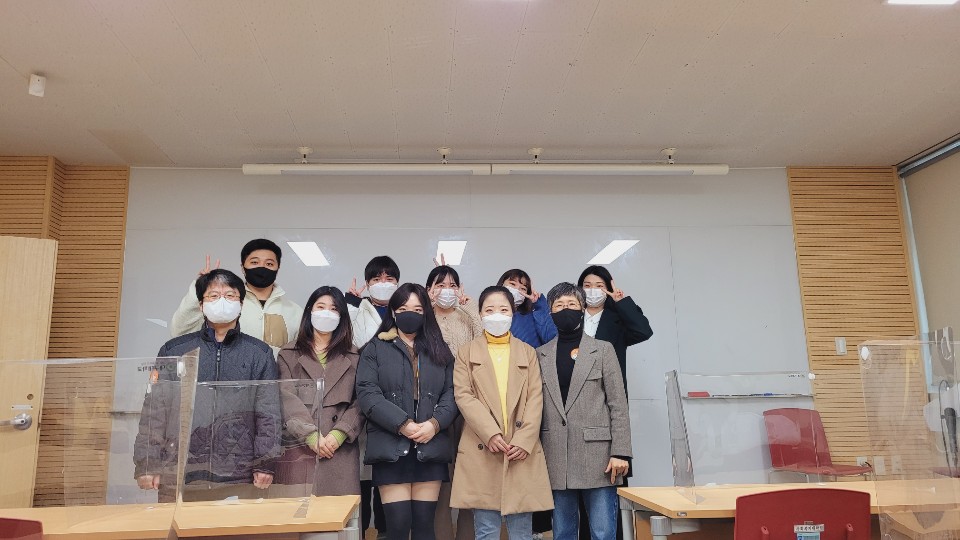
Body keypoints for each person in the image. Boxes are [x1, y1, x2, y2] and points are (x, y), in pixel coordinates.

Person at [134, 269, 281, 502]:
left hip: (237, 474)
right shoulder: (174, 350)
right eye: (213, 295)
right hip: (179, 470)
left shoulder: (259, 353)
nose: (222, 301)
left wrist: (265, 464)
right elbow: (155, 410)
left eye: (230, 295)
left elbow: (268, 413)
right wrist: (148, 463)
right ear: (201, 305)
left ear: (241, 304)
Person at [356, 283, 459, 540]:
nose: (409, 314)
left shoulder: (440, 349)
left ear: (426, 313)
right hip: (391, 444)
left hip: (430, 442)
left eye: (417, 309)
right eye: (402, 309)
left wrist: (434, 424)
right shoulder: (375, 348)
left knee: (425, 526)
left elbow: (453, 393)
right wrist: (403, 424)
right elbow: (368, 394)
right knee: (398, 526)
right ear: (393, 312)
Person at [451, 286, 553, 540]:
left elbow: (535, 398)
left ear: (512, 313)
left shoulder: (527, 352)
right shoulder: (466, 352)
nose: (496, 315)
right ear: (480, 314)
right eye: (489, 310)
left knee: (521, 530)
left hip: (520, 450)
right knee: (486, 530)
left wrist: (524, 440)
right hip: (483, 447)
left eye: (503, 309)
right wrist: (490, 433)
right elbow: (464, 396)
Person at [537, 283, 632, 540]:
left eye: (571, 304)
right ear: (550, 312)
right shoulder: (540, 355)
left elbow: (618, 404)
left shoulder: (603, 350)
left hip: (599, 456)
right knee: (563, 533)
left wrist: (620, 451)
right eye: (558, 305)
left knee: (603, 532)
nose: (565, 309)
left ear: (582, 308)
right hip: (556, 454)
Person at [275, 286, 363, 496]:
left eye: (333, 309)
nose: (326, 313)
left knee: (341, 512)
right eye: (320, 307)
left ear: (342, 316)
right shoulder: (288, 354)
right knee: (300, 512)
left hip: (340, 450)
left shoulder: (355, 356)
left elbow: (361, 402)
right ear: (309, 311)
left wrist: (339, 434)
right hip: (299, 447)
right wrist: (311, 436)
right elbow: (286, 399)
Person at [346, 255, 400, 537]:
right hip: (359, 399)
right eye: (377, 279)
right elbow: (344, 341)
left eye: (389, 278)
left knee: (385, 476)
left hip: (394, 404)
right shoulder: (355, 310)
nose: (383, 283)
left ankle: (383, 532)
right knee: (359, 477)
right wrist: (349, 304)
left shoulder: (404, 311)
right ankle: (358, 532)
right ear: (367, 284)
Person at [427, 265, 482, 540]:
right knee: (440, 476)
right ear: (429, 290)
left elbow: (484, 342)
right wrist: (426, 304)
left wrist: (470, 307)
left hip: (468, 403)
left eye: (452, 285)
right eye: (439, 285)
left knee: (470, 472)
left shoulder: (466, 316)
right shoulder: (424, 318)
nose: (446, 291)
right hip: (434, 406)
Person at [169, 239, 302, 353]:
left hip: (275, 376)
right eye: (254, 262)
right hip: (228, 374)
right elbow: (179, 332)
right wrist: (201, 287)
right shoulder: (225, 303)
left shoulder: (294, 311)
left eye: (269, 264)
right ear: (243, 268)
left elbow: (300, 354)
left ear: (278, 268)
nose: (262, 267)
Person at [577, 265, 653, 394]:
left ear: (608, 289)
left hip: (608, 392)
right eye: (587, 286)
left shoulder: (618, 320)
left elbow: (643, 331)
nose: (593, 290)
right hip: (574, 390)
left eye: (599, 286)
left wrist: (620, 302)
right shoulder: (571, 317)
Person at [496, 269, 557, 348]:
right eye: (512, 284)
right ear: (502, 284)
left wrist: (539, 305)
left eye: (523, 289)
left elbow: (551, 340)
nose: (517, 290)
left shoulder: (531, 316)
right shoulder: (486, 313)